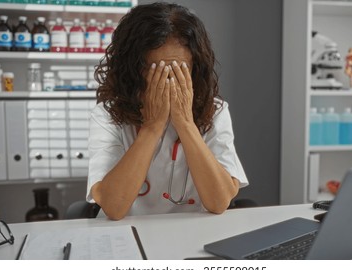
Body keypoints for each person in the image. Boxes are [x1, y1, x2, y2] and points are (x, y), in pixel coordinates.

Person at [87, 2, 248, 220]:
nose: (168, 82)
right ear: (132, 69)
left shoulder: (215, 111)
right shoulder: (107, 115)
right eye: (156, 71)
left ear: (195, 68)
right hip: (127, 235)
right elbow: (114, 208)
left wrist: (186, 124)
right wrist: (152, 127)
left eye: (179, 70)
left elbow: (219, 202)